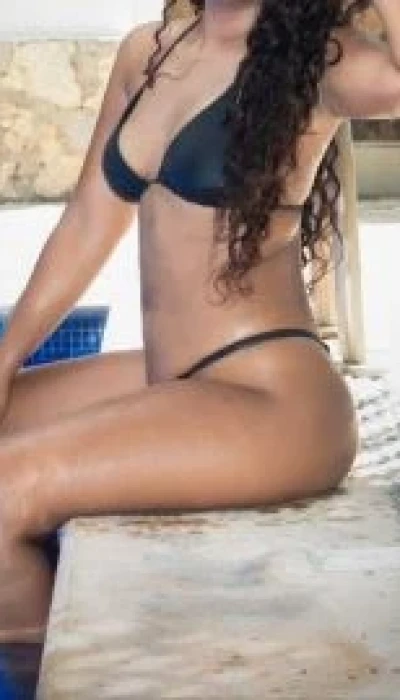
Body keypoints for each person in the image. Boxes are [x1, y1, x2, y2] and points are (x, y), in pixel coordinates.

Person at [0, 0, 398, 642]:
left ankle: (49, 668)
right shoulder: (148, 53)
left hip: (275, 402)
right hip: (176, 382)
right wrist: (5, 359)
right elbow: (87, 223)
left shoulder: (320, 60)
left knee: (5, 492)